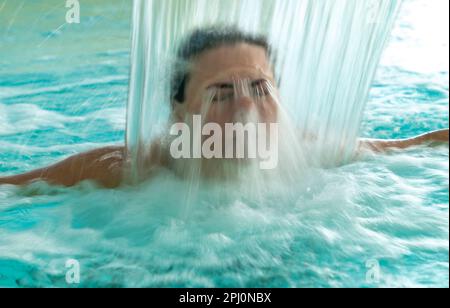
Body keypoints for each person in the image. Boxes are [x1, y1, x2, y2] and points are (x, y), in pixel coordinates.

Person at [0, 27, 448, 188]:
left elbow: (410, 148)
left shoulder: (304, 152)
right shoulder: (133, 170)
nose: (246, 110)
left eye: (260, 87)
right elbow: (14, 187)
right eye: (220, 92)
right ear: (179, 111)